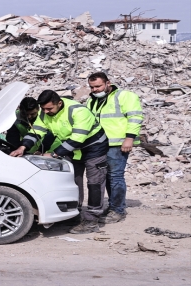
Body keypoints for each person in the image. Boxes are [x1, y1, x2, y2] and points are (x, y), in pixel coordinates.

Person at [9, 90, 109, 234]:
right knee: (73, 181)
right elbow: (37, 131)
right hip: (73, 149)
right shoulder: (45, 112)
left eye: (49, 108)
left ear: (59, 103)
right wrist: (23, 147)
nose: (46, 112)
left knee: (95, 183)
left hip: (94, 148)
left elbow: (77, 139)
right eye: (43, 109)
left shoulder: (78, 111)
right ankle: (74, 214)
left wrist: (54, 154)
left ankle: (92, 220)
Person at [87, 72, 143, 224]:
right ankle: (113, 207)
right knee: (105, 177)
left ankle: (118, 210)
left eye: (98, 86)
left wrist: (129, 138)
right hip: (99, 145)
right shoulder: (92, 101)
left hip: (118, 144)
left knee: (115, 176)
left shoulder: (124, 96)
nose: (95, 90)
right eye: (92, 87)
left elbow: (135, 117)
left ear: (108, 83)